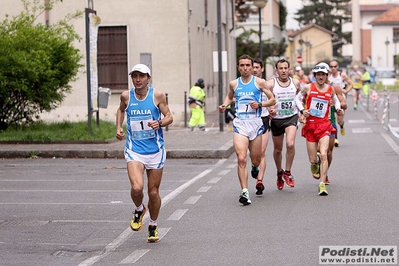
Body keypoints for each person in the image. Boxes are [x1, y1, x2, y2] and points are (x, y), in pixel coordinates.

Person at [115, 63, 173, 242]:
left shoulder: (157, 95)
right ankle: (139, 209)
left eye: (141, 76)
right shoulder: (126, 96)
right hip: (135, 150)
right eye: (135, 76)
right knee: (137, 187)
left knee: (153, 192)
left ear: (148, 78)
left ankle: (153, 225)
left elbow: (169, 116)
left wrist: (160, 123)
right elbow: (120, 110)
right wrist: (118, 126)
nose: (138, 80)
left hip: (155, 151)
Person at [218, 54, 276, 205]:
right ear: (238, 67)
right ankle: (244, 191)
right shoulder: (234, 84)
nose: (245, 68)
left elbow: (273, 99)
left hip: (255, 123)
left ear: (252, 67)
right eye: (242, 65)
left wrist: (261, 105)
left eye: (247, 65)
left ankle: (255, 166)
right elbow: (229, 96)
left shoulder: (259, 82)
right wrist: (224, 105)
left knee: (256, 158)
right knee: (241, 157)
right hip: (240, 123)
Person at [295, 62, 344, 196]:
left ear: (327, 76)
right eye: (318, 75)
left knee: (324, 153)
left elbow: (336, 100)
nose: (321, 77)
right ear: (315, 76)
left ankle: (322, 183)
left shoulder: (330, 89)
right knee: (313, 159)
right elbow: (297, 99)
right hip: (311, 125)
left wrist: (338, 108)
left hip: (324, 125)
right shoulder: (308, 87)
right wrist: (302, 110)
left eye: (323, 75)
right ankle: (315, 163)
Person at [268, 59, 301, 190]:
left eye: (285, 68)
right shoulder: (271, 84)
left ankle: (287, 172)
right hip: (277, 119)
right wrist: (269, 110)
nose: (283, 71)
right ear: (277, 70)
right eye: (280, 68)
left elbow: (300, 98)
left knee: (290, 144)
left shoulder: (296, 83)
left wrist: (302, 112)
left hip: (291, 117)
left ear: (289, 69)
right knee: (278, 150)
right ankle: (279, 172)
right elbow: (264, 98)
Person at [252, 58, 270, 195]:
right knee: (254, 154)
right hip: (249, 120)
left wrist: (272, 109)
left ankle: (260, 181)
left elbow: (272, 99)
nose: (254, 69)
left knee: (262, 151)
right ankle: (254, 164)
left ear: (262, 69)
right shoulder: (246, 84)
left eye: (257, 67)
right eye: (253, 67)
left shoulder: (265, 84)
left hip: (263, 118)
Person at [329, 60, 353, 144]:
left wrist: (346, 90)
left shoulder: (342, 75)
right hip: (332, 100)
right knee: (332, 119)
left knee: (339, 121)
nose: (333, 68)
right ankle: (335, 138)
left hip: (341, 99)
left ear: (338, 67)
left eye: (335, 66)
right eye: (331, 67)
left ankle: (342, 125)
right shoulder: (328, 76)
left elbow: (351, 84)